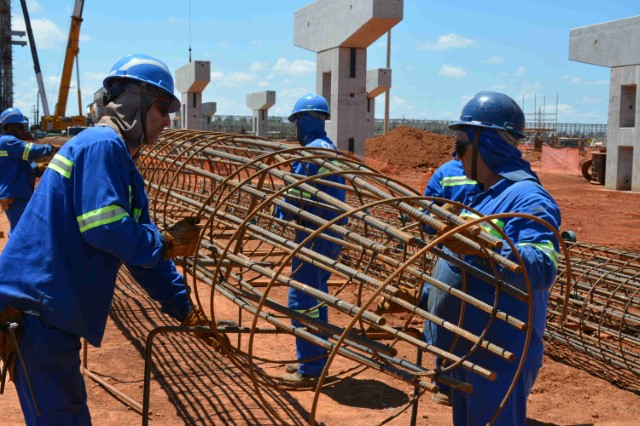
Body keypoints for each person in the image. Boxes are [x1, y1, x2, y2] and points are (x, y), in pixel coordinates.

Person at [0, 53, 222, 424]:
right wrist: (163, 243)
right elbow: (105, 228)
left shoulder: (117, 162)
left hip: (48, 311)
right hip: (39, 311)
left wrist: (185, 309)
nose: (168, 121)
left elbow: (142, 253)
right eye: (162, 108)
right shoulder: (103, 146)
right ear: (137, 102)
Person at [426, 91, 560, 425]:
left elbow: (543, 266)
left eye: (461, 147)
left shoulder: (527, 197)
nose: (456, 157)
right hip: (470, 347)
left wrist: (487, 248)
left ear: (486, 144)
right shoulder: (484, 195)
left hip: (498, 353)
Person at [275, 93, 346, 384]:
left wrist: (279, 212)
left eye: (296, 122)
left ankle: (312, 369)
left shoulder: (311, 154)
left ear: (303, 121)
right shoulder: (329, 149)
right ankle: (313, 359)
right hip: (329, 233)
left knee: (302, 300)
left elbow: (296, 196)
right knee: (315, 297)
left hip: (315, 235)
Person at [420, 158, 480, 406]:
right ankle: (447, 381)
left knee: (450, 317)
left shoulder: (447, 172)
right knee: (444, 316)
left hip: (473, 263)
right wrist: (444, 216)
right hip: (460, 260)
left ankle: (454, 382)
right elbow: (425, 219)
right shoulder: (447, 173)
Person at [0, 108, 54, 234]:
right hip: (16, 195)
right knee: (21, 232)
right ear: (10, 127)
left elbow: (23, 161)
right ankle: (13, 254)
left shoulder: (10, 145)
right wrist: (49, 148)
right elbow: (30, 151)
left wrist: (37, 168)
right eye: (20, 127)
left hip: (17, 194)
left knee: (18, 228)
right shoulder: (8, 142)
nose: (23, 130)